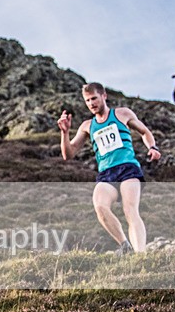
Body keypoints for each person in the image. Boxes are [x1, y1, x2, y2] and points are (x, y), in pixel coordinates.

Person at [57, 82, 161, 254]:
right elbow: (68, 154)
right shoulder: (87, 126)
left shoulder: (122, 114)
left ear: (104, 96)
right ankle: (125, 246)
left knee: (130, 209)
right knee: (100, 206)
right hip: (107, 174)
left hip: (128, 169)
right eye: (87, 101)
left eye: (94, 98)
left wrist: (153, 147)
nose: (91, 103)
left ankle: (141, 255)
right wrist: (64, 133)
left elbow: (145, 132)